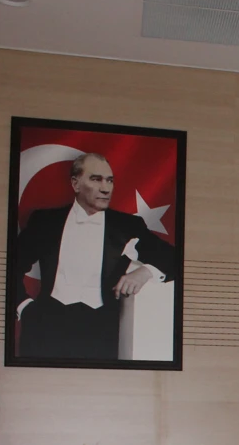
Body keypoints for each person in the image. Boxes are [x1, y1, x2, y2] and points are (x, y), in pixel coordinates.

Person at [14, 152, 179, 360]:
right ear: (75, 184)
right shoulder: (45, 221)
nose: (105, 188)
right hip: (45, 331)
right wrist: (23, 308)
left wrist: (146, 272)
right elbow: (11, 265)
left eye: (110, 180)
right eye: (96, 179)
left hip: (101, 335)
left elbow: (175, 259)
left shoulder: (127, 226)